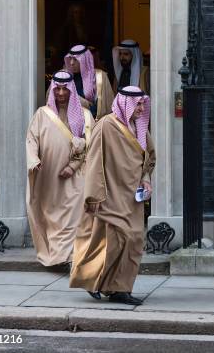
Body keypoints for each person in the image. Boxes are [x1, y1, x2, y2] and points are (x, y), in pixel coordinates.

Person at [69, 86, 156, 305]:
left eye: (143, 103)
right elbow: (95, 162)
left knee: (134, 240)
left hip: (131, 197)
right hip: (109, 194)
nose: (141, 107)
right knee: (112, 242)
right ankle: (92, 280)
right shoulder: (106, 125)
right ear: (125, 103)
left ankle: (120, 288)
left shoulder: (140, 127)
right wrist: (94, 195)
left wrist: (146, 179)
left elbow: (149, 157)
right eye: (137, 104)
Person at [26, 71, 94, 267]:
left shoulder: (86, 116)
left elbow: (91, 145)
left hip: (77, 175)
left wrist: (72, 167)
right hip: (48, 176)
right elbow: (31, 140)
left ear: (72, 90)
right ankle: (56, 256)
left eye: (65, 89)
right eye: (58, 89)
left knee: (73, 215)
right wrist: (33, 161)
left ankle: (70, 257)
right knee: (52, 216)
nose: (62, 93)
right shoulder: (41, 114)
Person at [64, 45, 114, 120]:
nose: (71, 63)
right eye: (70, 58)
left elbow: (105, 107)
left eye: (75, 59)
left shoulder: (99, 77)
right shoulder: (64, 76)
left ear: (84, 60)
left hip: (91, 122)